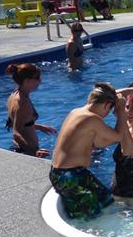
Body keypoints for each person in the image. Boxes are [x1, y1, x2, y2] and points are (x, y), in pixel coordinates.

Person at [49, 83, 126, 219]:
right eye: (109, 110)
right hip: (68, 177)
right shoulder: (92, 118)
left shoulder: (76, 112)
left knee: (106, 200)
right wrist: (121, 112)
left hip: (70, 173)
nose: (106, 115)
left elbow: (100, 142)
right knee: (91, 217)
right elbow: (119, 136)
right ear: (107, 105)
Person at [5, 63, 56, 157]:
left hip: (20, 149)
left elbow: (17, 123)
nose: (40, 80)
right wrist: (35, 151)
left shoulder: (14, 94)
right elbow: (16, 133)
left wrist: (40, 127)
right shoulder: (22, 103)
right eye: (37, 78)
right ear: (27, 81)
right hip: (26, 151)